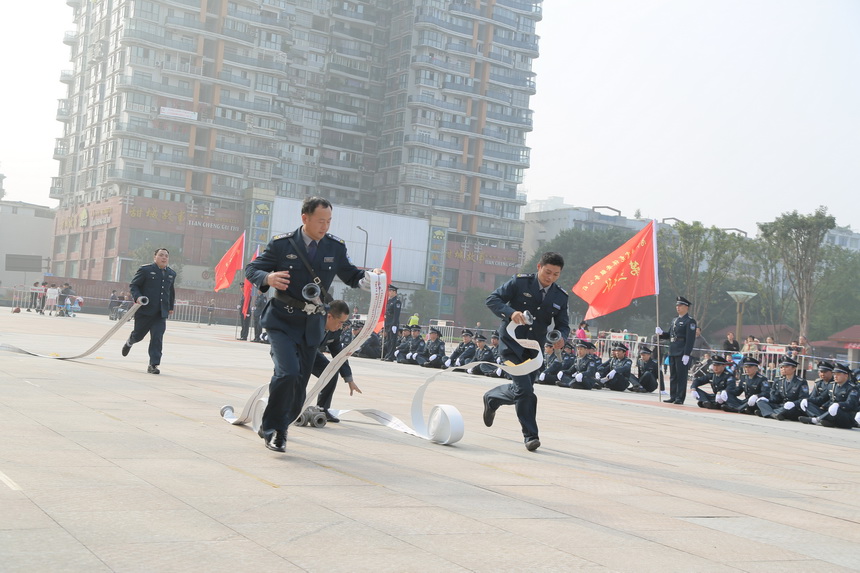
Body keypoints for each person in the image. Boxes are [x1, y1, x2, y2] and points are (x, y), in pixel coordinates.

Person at [244, 196, 381, 452]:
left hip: (311, 326)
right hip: (282, 321)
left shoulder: (334, 247)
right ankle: (276, 430)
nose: (325, 226)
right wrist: (268, 277)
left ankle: (277, 422)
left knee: (299, 385)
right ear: (304, 218)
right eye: (320, 221)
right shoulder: (282, 244)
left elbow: (352, 275)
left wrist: (373, 279)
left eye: (329, 221)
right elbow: (252, 269)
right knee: (288, 372)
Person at [482, 252, 570, 452]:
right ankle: (531, 436)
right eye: (547, 272)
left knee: (524, 391)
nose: (550, 278)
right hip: (511, 346)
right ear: (539, 267)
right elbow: (492, 299)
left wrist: (562, 337)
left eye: (556, 274)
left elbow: (563, 324)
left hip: (534, 351)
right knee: (525, 390)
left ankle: (493, 398)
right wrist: (511, 313)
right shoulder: (520, 283)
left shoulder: (560, 296)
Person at [122, 248, 176, 374]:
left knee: (157, 337)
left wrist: (171, 307)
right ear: (155, 257)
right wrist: (138, 297)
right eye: (161, 255)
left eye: (166, 256)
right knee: (139, 335)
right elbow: (134, 285)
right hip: (145, 311)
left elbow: (171, 291)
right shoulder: (145, 270)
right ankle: (130, 341)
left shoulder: (171, 273)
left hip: (160, 313)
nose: (164, 258)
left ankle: (153, 365)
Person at [313, 300, 362, 423]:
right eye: (340, 322)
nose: (341, 326)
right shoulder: (312, 322)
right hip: (293, 351)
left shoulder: (335, 331)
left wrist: (349, 378)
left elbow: (339, 354)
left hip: (312, 354)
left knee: (330, 373)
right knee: (293, 377)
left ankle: (322, 409)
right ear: (329, 316)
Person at [656, 296, 697, 405]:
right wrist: (661, 333)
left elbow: (690, 339)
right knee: (673, 375)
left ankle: (680, 397)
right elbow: (670, 335)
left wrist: (687, 353)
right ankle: (673, 396)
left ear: (686, 307)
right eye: (677, 306)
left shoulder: (690, 321)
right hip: (673, 349)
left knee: (681, 376)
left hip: (682, 351)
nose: (677, 307)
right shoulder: (675, 319)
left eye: (680, 305)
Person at [800, 362, 859, 427]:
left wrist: (839, 405)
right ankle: (825, 420)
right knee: (808, 404)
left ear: (846, 375)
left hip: (844, 416)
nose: (835, 376)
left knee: (837, 410)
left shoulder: (852, 388)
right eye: (834, 374)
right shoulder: (831, 385)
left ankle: (817, 420)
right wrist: (807, 400)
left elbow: (851, 404)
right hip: (830, 412)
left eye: (838, 374)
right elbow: (821, 399)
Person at [754, 355, 809, 420]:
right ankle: (773, 414)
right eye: (781, 367)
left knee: (788, 410)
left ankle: (766, 412)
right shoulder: (778, 380)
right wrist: (767, 399)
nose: (783, 369)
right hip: (781, 405)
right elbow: (775, 398)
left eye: (786, 367)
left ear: (794, 368)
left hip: (792, 407)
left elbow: (803, 398)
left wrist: (793, 403)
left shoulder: (801, 382)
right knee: (761, 402)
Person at [382, 285, 402, 361]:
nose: (389, 292)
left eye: (391, 291)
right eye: (389, 291)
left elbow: (396, 314)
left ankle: (391, 356)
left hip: (393, 324)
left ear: (394, 292)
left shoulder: (397, 301)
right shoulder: (389, 301)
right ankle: (388, 355)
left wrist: (394, 325)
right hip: (388, 323)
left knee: (393, 341)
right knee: (389, 340)